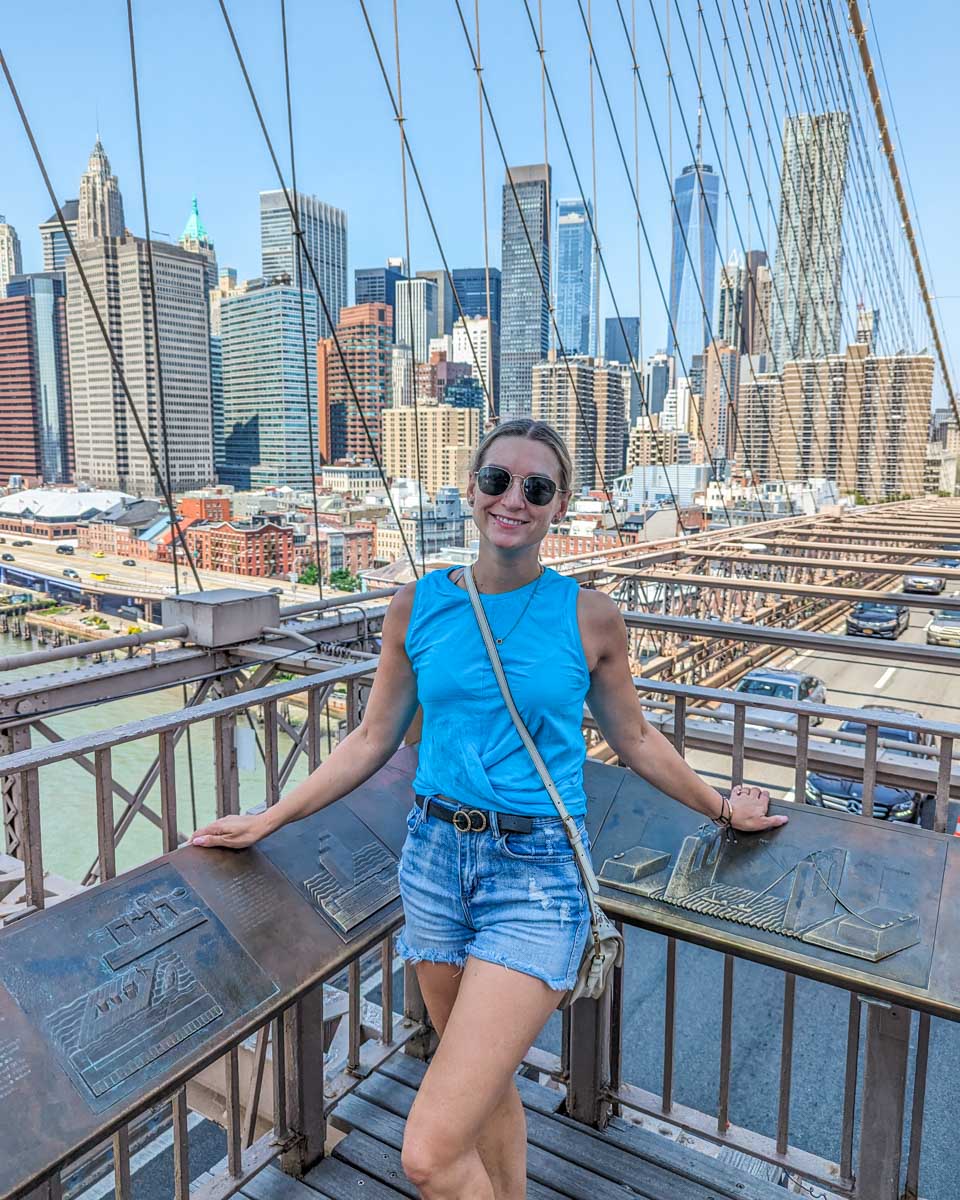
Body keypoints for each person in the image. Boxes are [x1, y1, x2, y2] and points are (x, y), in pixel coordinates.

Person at [190, 418, 787, 1200]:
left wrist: (720, 808)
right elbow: (372, 739)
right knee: (487, 1087)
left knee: (428, 1155)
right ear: (471, 490)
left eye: (536, 487)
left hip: (536, 876)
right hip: (435, 864)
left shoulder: (589, 616)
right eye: (498, 480)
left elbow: (636, 738)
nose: (514, 498)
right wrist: (271, 817)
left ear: (560, 505)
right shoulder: (417, 606)